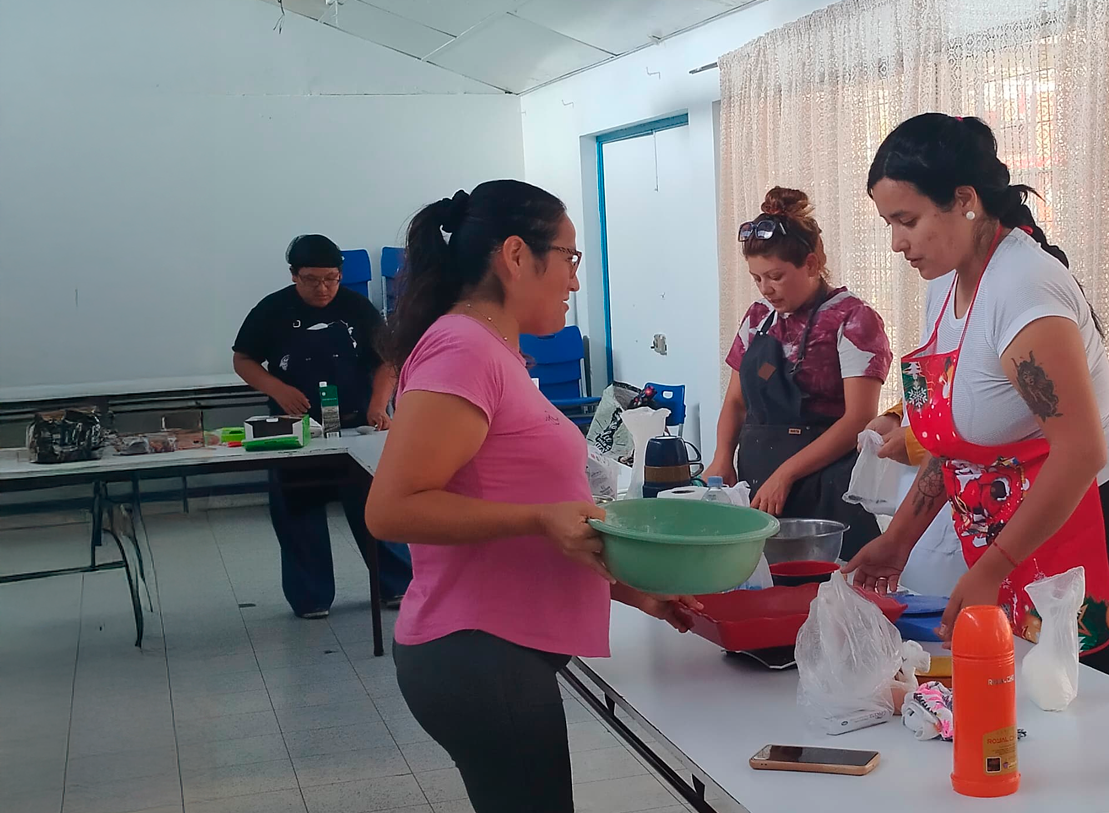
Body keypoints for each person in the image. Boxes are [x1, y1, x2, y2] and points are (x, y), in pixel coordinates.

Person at [364, 180, 701, 813]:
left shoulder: (491, 351)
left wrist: (635, 588)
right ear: (516, 256)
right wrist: (540, 517)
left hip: (498, 650)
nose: (576, 281)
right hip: (478, 651)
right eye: (570, 259)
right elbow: (393, 508)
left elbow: (529, 519)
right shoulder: (463, 348)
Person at [846, 114, 1109, 680]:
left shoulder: (1024, 289)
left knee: (1071, 723)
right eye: (889, 223)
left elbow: (1080, 453)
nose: (898, 242)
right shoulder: (947, 286)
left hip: (1098, 531)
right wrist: (897, 541)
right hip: (1025, 532)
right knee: (1021, 715)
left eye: (908, 220)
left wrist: (994, 566)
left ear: (966, 200)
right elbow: (954, 445)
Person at [703, 187, 893, 560]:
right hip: (759, 481)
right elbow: (736, 402)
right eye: (757, 278)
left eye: (775, 276)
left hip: (827, 486)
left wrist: (786, 474)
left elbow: (858, 417)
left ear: (810, 263)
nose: (765, 289)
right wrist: (722, 456)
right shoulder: (758, 318)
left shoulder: (852, 319)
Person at [233, 234, 412, 619]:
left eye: (331, 278)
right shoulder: (273, 309)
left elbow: (387, 362)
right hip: (295, 428)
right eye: (312, 279)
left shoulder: (356, 308)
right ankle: (311, 597)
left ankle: (397, 585)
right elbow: (243, 359)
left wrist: (379, 404)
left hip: (355, 425)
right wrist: (277, 389)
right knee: (298, 510)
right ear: (294, 276)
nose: (323, 288)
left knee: (374, 505)